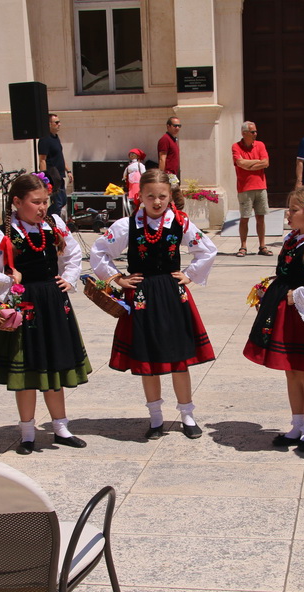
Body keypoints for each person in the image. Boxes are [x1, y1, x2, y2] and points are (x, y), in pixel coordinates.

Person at [90, 169, 217, 439]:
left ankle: (187, 415)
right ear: (140, 197)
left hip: (172, 295)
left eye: (162, 196)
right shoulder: (127, 225)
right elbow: (99, 250)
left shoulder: (180, 222)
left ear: (170, 196)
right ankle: (156, 418)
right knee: (148, 360)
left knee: (179, 359)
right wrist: (117, 278)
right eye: (151, 196)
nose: (157, 202)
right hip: (142, 296)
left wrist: (190, 274)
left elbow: (207, 249)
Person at [0, 172, 90, 453]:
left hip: (52, 301)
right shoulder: (1, 234)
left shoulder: (54, 225)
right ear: (16, 201)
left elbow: (73, 254)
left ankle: (61, 428)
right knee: (27, 369)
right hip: (25, 304)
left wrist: (69, 278)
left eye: (45, 202)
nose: (42, 208)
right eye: (36, 202)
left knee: (53, 364)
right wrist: (9, 281)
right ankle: (27, 432)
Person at [243, 186, 304, 452]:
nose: (288, 214)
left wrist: (297, 295)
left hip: (302, 316)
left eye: (294, 209)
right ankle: (296, 425)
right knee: (291, 371)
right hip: (286, 313)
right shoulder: (294, 238)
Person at [232, 121, 271, 257]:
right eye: (252, 132)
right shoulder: (236, 147)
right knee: (245, 218)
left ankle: (262, 246)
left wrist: (249, 165)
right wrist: (257, 163)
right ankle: (243, 246)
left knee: (261, 217)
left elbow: (266, 162)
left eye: (255, 131)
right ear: (244, 133)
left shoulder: (260, 145)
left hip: (260, 186)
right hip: (245, 187)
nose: (255, 134)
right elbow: (239, 163)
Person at [38, 113, 73, 217]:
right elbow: (42, 160)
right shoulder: (44, 139)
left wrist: (68, 171)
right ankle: (49, 221)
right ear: (49, 124)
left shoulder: (55, 138)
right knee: (57, 203)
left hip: (60, 175)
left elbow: (60, 156)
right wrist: (44, 179)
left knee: (62, 201)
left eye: (59, 122)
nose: (59, 124)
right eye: (56, 122)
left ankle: (48, 218)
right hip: (52, 176)